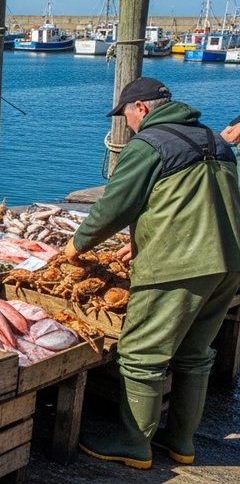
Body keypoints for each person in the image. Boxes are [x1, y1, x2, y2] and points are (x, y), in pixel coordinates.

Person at [65, 77, 240, 470]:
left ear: (141, 108)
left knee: (142, 354)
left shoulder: (149, 143)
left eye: (126, 116)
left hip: (179, 267)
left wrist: (76, 245)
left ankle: (133, 444)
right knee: (194, 354)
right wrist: (143, 239)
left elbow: (114, 205)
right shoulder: (214, 139)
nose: (126, 125)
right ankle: (181, 442)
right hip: (229, 262)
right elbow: (196, 200)